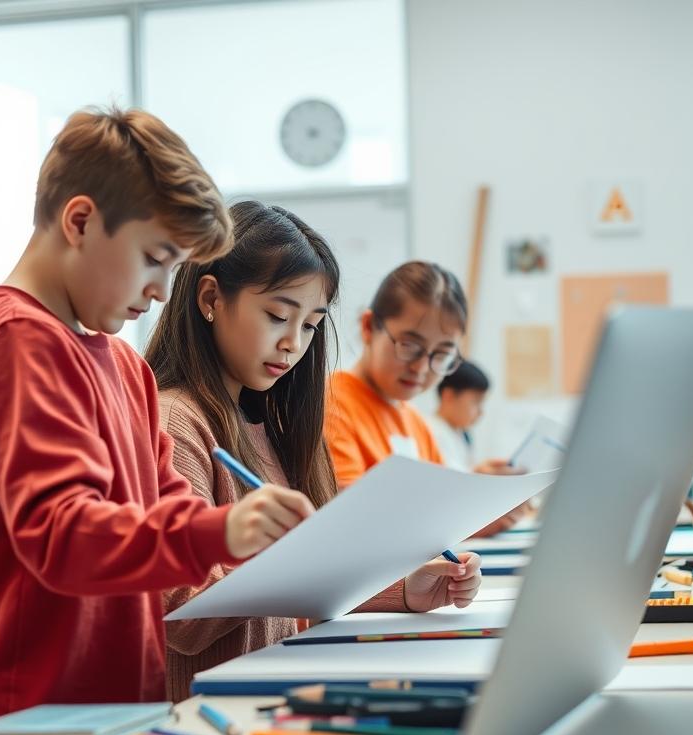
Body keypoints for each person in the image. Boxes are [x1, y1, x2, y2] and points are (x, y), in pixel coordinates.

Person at [0, 108, 314, 735]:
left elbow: (165, 511)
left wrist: (238, 526)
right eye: (155, 260)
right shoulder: (14, 344)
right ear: (79, 222)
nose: (163, 291)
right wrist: (222, 534)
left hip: (111, 722)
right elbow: (62, 534)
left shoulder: (121, 364)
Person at [146, 201, 481, 699]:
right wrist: (280, 552)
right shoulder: (176, 420)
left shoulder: (265, 423)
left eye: (309, 325)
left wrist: (405, 589)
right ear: (210, 298)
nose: (293, 344)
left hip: (271, 693)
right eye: (278, 315)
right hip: (208, 714)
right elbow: (179, 612)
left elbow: (301, 584)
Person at [325, 261, 524, 536]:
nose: (421, 368)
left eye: (441, 355)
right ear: (369, 327)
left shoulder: (415, 421)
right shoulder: (333, 405)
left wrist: (483, 504)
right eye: (410, 346)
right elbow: (353, 523)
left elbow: (441, 520)